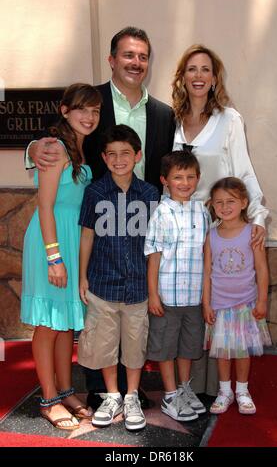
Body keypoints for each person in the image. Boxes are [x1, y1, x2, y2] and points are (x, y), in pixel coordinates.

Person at [25, 26, 175, 409]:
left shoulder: (162, 113)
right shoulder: (93, 99)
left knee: (110, 311)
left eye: (142, 56)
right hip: (89, 229)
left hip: (133, 225)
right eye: (128, 55)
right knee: (86, 314)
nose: (135, 62)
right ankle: (96, 388)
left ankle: (124, 388)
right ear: (112, 60)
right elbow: (50, 148)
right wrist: (33, 147)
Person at [171, 44, 269, 396]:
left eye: (205, 70)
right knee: (191, 305)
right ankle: (189, 386)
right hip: (181, 229)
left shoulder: (229, 119)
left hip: (218, 226)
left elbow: (244, 172)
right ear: (183, 77)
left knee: (219, 305)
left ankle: (220, 386)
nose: (198, 76)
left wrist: (256, 216)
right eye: (192, 69)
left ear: (214, 79)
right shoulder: (171, 120)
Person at [20, 83, 102, 429]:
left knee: (66, 322)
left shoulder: (80, 149)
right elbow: (45, 205)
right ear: (65, 111)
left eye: (95, 111)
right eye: (82, 109)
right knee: (48, 323)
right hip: (50, 241)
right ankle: (49, 397)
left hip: (70, 239)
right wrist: (54, 257)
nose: (89, 116)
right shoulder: (54, 148)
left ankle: (67, 390)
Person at [77, 124, 159, 431]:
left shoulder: (151, 193)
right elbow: (86, 236)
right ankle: (112, 395)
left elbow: (155, 245)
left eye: (125, 153)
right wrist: (83, 276)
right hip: (102, 283)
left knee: (135, 345)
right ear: (103, 157)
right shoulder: (95, 192)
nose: (118, 159)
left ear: (137, 155)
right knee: (105, 344)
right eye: (111, 154)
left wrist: (154, 286)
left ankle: (132, 395)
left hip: (138, 285)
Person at [144, 151, 210, 421]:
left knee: (188, 347)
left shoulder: (203, 211)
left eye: (190, 177)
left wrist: (207, 298)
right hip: (167, 296)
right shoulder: (161, 213)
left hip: (193, 297)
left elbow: (207, 256)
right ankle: (170, 394)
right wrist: (153, 295)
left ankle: (184, 389)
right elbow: (154, 256)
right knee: (166, 347)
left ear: (198, 179)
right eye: (177, 177)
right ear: (165, 180)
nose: (184, 183)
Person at [202, 177, 272, 414]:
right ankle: (225, 392)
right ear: (212, 205)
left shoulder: (253, 232)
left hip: (245, 304)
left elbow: (262, 269)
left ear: (243, 202)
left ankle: (242, 390)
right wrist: (206, 303)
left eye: (230, 201)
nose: (224, 207)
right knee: (222, 352)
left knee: (241, 351)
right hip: (219, 305)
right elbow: (207, 272)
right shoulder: (211, 235)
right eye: (219, 202)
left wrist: (262, 300)